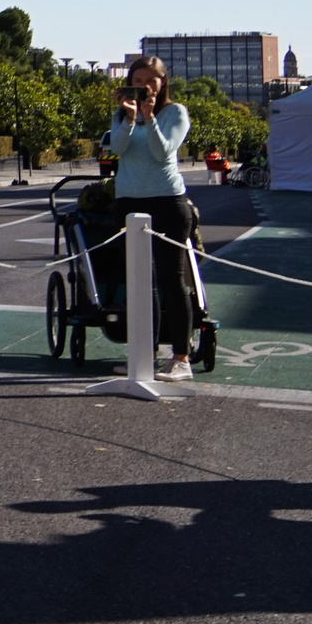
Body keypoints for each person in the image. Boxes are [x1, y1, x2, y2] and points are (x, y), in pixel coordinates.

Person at [112, 56, 198, 382]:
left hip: (167, 203)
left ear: (163, 82)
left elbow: (164, 152)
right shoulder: (122, 114)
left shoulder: (174, 113)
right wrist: (131, 118)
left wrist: (149, 118)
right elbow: (118, 149)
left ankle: (180, 358)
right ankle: (144, 355)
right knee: (139, 283)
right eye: (138, 80)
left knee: (171, 281)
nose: (145, 86)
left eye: (151, 80)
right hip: (128, 202)